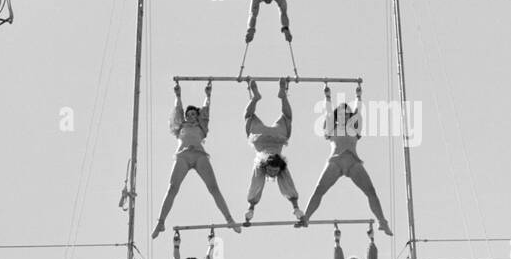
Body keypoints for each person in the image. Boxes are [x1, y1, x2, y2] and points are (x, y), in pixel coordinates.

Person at [151, 81, 241, 239]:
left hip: (199, 156)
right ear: (186, 117)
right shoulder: (181, 125)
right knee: (172, 188)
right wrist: (178, 95)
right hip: (183, 155)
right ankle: (160, 221)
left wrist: (208, 95)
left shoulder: (201, 126)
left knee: (213, 188)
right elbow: (178, 109)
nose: (192, 116)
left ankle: (229, 219)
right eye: (189, 114)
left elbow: (206, 111)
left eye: (194, 114)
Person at [300, 83, 391, 234]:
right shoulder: (331, 127)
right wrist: (327, 96)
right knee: (319, 189)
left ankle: (382, 221)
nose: (344, 115)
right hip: (336, 161)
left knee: (371, 191)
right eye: (341, 113)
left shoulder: (354, 126)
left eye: (346, 113)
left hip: (353, 161)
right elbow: (329, 111)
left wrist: (358, 95)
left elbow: (357, 109)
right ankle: (306, 217)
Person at [242, 77, 304, 225]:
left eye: (271, 172)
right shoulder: (272, 167)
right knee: (286, 118)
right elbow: (287, 186)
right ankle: (281, 97)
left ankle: (257, 98)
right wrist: (296, 209)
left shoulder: (264, 166)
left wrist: (250, 210)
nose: (272, 174)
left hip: (266, 138)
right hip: (270, 138)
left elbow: (256, 185)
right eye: (273, 172)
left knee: (250, 118)